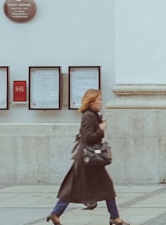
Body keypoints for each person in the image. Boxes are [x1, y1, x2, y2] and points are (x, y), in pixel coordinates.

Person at [46, 89, 130, 225]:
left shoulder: (94, 114)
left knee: (76, 187)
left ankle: (56, 213)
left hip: (88, 159)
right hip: (88, 159)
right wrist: (101, 130)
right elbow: (88, 138)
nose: (101, 102)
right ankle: (114, 217)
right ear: (91, 101)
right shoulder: (89, 116)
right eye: (99, 99)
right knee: (105, 187)